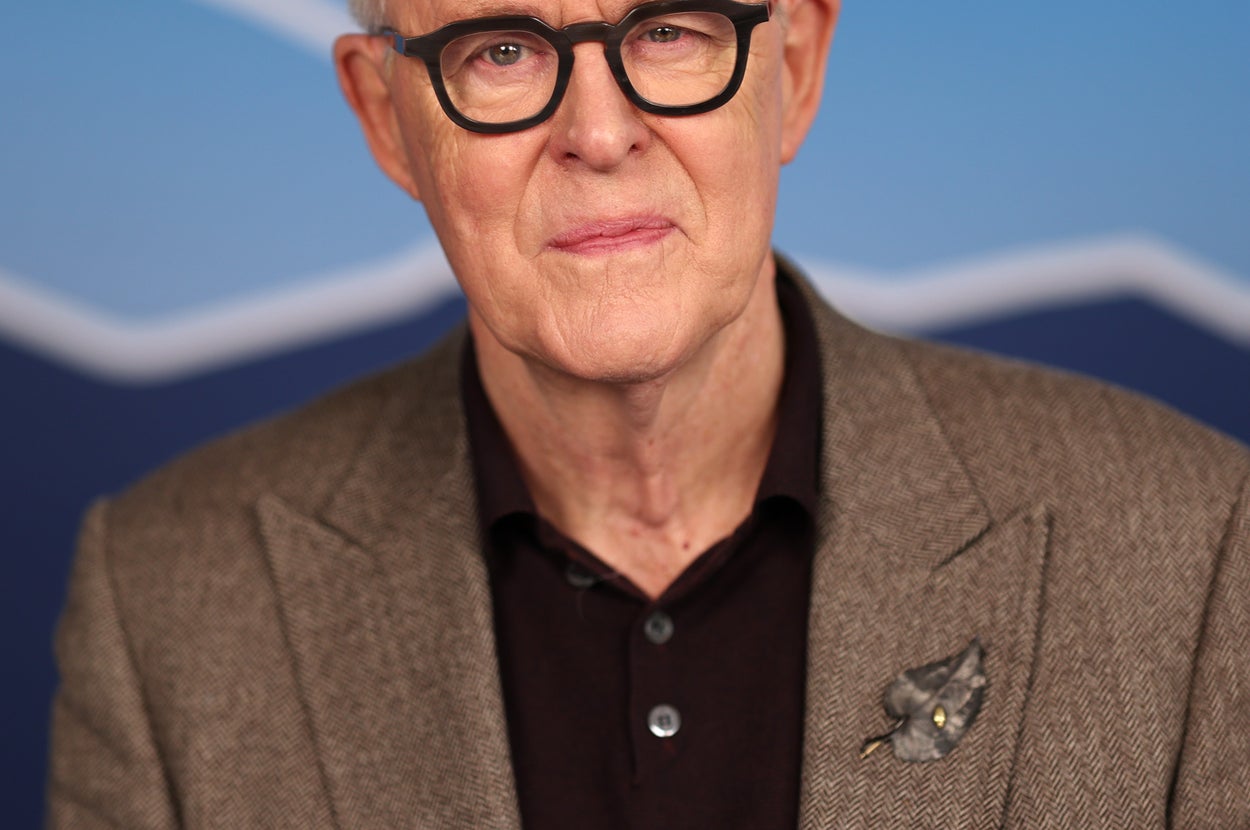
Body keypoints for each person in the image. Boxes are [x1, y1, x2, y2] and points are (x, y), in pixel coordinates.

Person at [46, 0, 1249, 826]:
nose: (599, 133)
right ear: (384, 119)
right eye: (502, 48)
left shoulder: (1189, 550)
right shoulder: (165, 600)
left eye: (667, 28)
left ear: (792, 67)